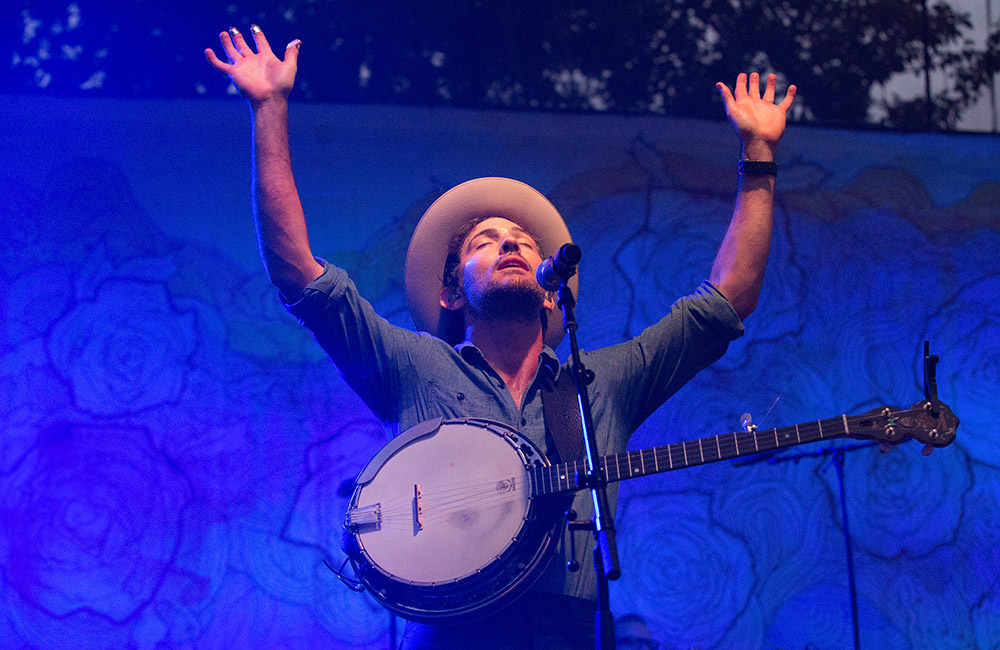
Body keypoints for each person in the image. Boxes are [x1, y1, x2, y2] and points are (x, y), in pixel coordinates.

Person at [206, 24, 796, 650]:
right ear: (451, 293)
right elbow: (297, 270)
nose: (510, 242)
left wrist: (758, 154)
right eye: (484, 242)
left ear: (550, 290)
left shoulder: (603, 384)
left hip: (570, 632)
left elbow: (728, 299)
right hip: (447, 633)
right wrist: (269, 110)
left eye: (521, 240)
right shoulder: (412, 365)